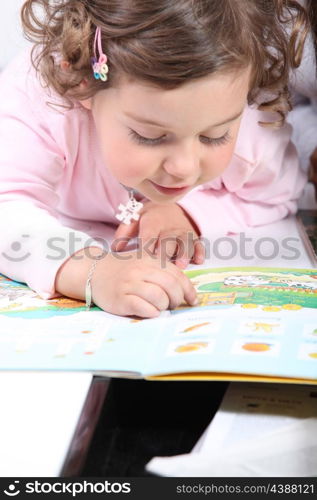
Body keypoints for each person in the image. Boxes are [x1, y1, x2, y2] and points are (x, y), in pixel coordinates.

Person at [0, 0, 308, 318]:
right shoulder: (39, 99)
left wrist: (187, 213)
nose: (185, 167)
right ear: (84, 84)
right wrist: (91, 270)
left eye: (214, 136)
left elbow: (278, 191)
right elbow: (6, 206)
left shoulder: (246, 115)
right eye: (150, 136)